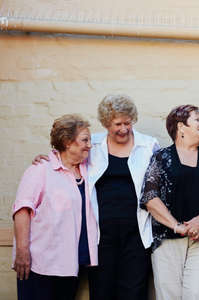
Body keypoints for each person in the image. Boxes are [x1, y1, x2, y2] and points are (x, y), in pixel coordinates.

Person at [33, 94, 159, 300]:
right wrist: (48, 159)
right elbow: (67, 159)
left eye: (128, 122)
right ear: (106, 123)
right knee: (102, 290)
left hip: (137, 231)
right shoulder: (94, 144)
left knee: (135, 291)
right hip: (100, 233)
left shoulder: (148, 145)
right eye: (118, 123)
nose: (124, 128)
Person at [140, 104, 199, 300]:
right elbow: (150, 197)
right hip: (168, 238)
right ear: (181, 127)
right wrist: (176, 226)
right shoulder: (161, 157)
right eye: (197, 120)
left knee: (198, 294)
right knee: (169, 295)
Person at [13, 114, 98, 300]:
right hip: (40, 263)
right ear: (68, 142)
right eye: (85, 140)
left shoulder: (88, 169)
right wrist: (22, 252)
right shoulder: (41, 170)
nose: (89, 145)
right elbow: (22, 210)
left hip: (70, 263)